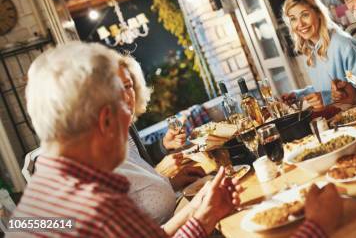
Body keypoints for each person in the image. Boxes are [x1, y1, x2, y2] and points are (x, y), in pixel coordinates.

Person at [9, 42, 241, 237]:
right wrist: (204, 218)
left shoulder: (54, 187)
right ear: (103, 117)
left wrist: (200, 208)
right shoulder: (88, 201)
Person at [115, 55, 206, 224]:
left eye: (128, 86)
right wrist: (160, 173)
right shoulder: (97, 155)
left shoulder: (125, 127)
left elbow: (140, 162)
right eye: (115, 89)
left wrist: (164, 145)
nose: (126, 97)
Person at [282, 0, 356, 109]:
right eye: (293, 18)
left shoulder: (343, 45)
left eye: (304, 15)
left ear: (319, 14)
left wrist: (328, 98)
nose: (300, 24)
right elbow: (323, 88)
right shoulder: (311, 50)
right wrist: (298, 95)